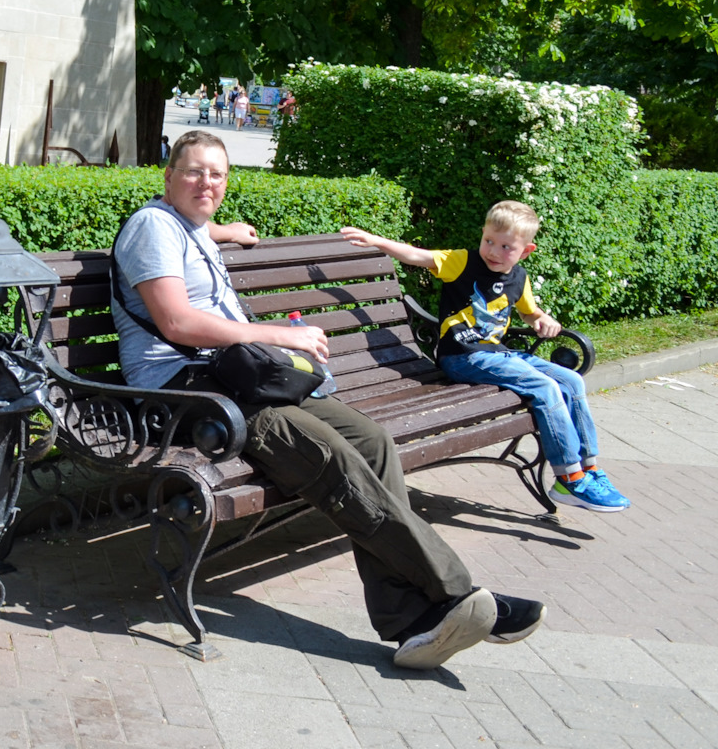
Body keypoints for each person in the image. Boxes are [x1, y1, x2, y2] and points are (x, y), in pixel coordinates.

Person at [111, 130, 544, 669]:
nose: (207, 183)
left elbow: (194, 228)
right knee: (335, 460)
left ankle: (409, 622)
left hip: (235, 378)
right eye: (194, 171)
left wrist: (223, 230)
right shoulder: (153, 226)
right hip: (184, 392)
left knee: (373, 441)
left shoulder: (189, 227)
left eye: (217, 175)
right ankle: (459, 596)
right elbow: (176, 321)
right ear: (168, 175)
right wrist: (277, 335)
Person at [341, 203, 631, 513]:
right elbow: (418, 255)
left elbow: (529, 312)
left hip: (497, 354)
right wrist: (377, 241)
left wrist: (542, 319)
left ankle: (590, 469)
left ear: (526, 251)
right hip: (462, 357)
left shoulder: (519, 277)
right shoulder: (462, 262)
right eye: (489, 241)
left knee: (571, 380)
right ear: (482, 234)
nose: (493, 250)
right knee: (545, 387)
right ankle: (568, 477)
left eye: (506, 246)